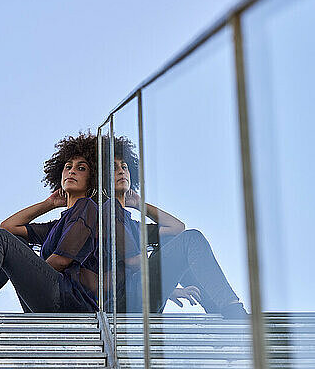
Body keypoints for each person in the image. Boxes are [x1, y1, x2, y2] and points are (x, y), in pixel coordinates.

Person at [0, 133, 101, 317]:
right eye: (68, 167)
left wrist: (29, 270)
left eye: (81, 168)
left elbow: (61, 260)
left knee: (0, 240)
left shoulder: (87, 207)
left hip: (69, 302)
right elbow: (9, 227)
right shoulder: (58, 224)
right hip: (53, 298)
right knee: (13, 241)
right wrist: (48, 203)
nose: (72, 171)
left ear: (92, 179)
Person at [102, 136, 248, 319]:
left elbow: (177, 228)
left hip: (137, 294)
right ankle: (231, 309)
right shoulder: (105, 214)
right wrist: (173, 290)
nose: (121, 171)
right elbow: (132, 262)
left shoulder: (132, 224)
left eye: (124, 167)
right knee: (191, 239)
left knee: (173, 241)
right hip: (122, 300)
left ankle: (218, 308)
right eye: (114, 168)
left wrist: (140, 204)